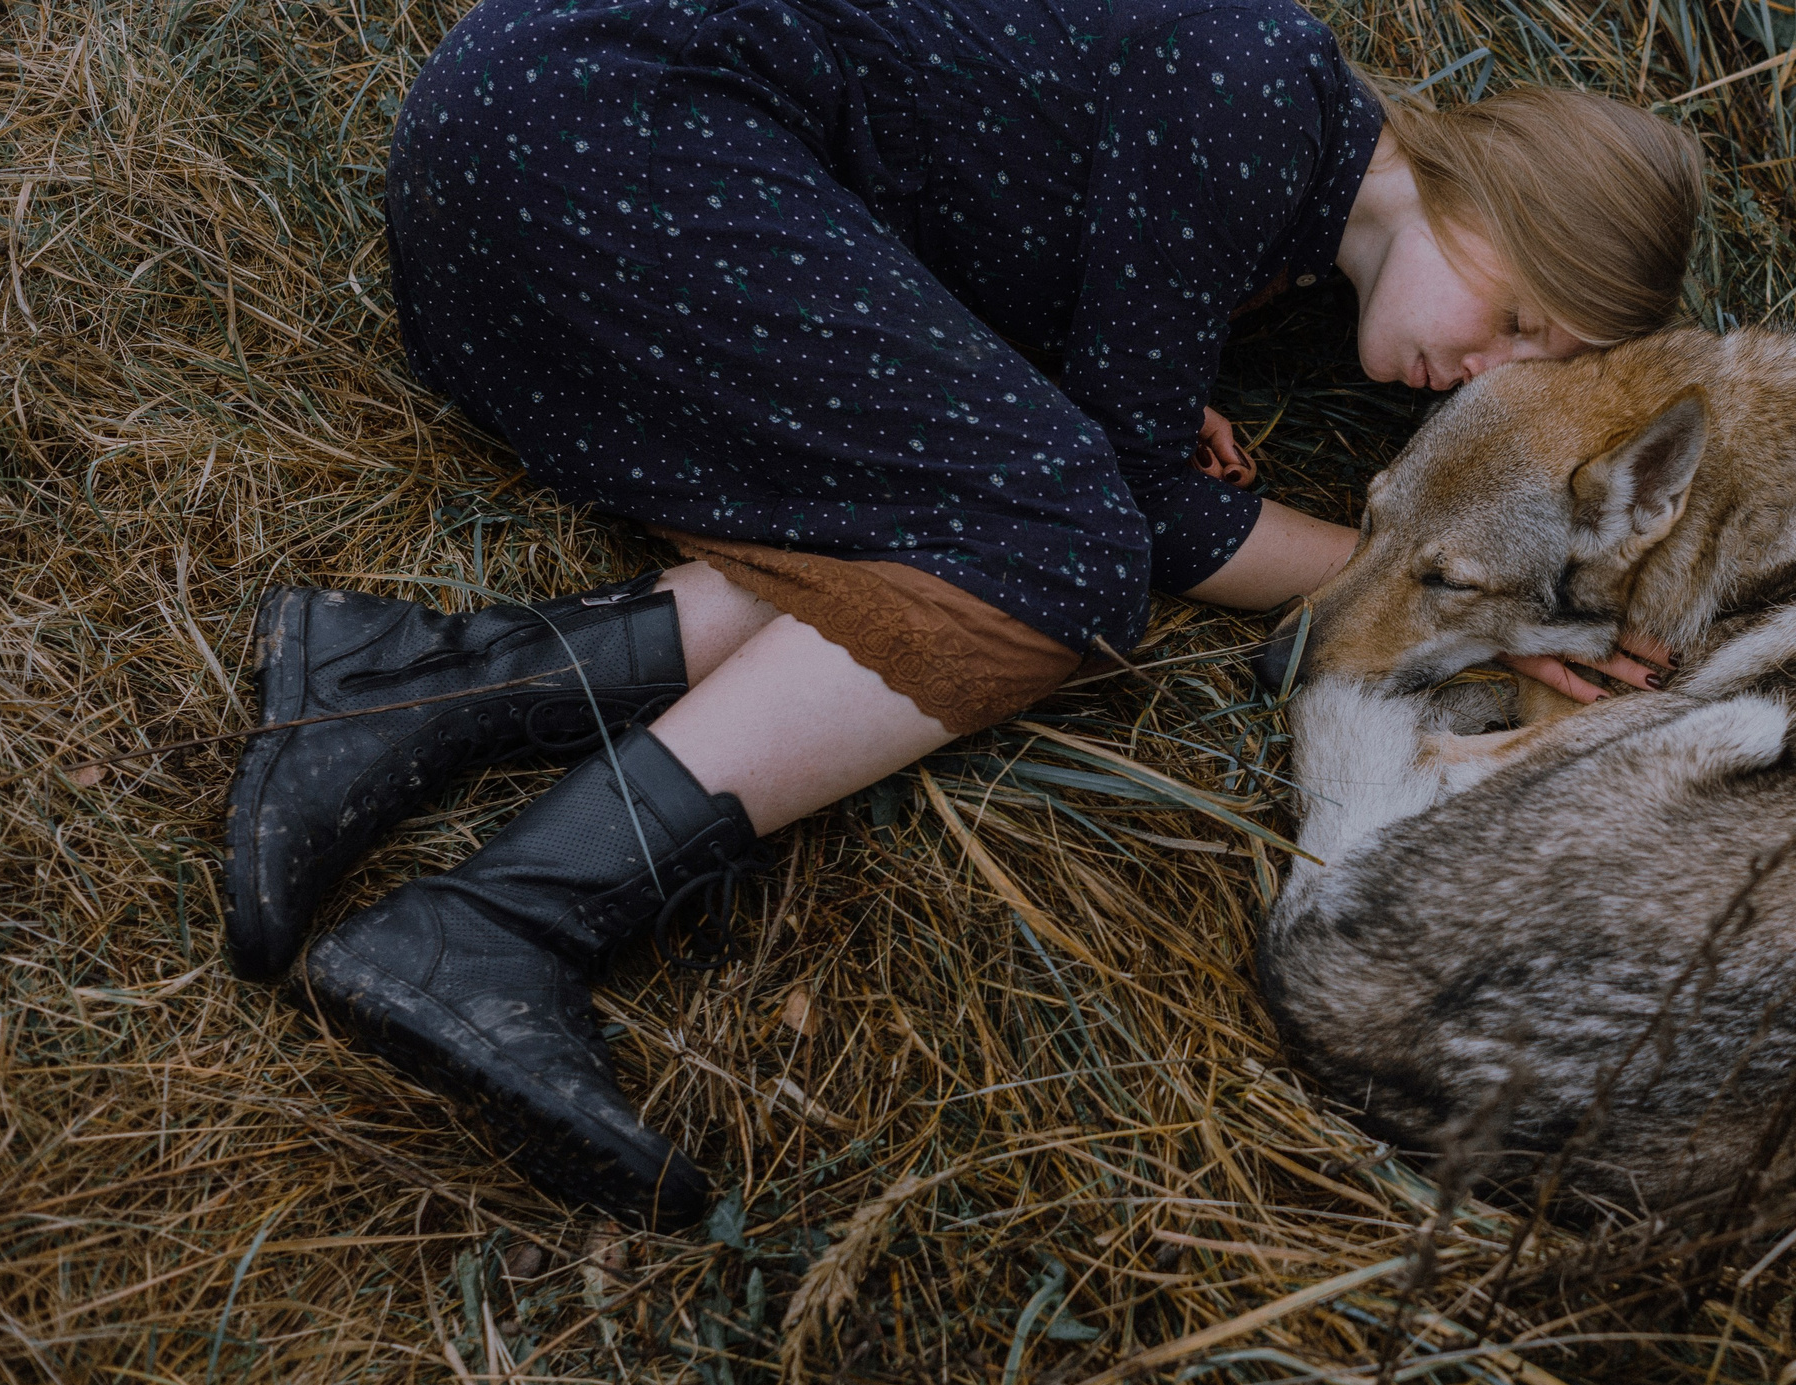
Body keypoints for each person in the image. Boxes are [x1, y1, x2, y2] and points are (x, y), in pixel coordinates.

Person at [222, 0, 1705, 1229]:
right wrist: (1456, 600)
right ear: (1493, 189)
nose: (1491, 365)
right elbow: (1149, 512)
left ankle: (390, 687)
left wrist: (1113, 397)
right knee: (1062, 548)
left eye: (1536, 361)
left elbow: (1018, 277)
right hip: (591, 137)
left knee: (1008, 505)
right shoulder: (1259, 90)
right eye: (1519, 312)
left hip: (566, 168)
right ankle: (487, 925)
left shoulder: (1285, 198)